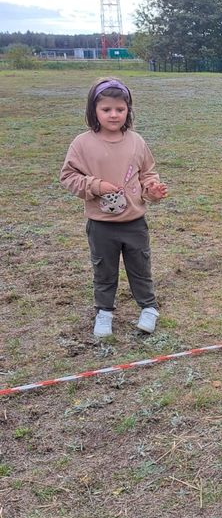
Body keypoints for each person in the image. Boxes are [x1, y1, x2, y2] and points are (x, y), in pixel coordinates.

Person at [60, 78, 167, 337]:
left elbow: (147, 175)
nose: (114, 114)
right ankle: (104, 312)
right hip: (101, 225)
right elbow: (68, 176)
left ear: (128, 110)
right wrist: (96, 185)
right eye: (106, 109)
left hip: (134, 223)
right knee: (104, 270)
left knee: (140, 268)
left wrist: (152, 191)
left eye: (120, 109)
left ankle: (149, 308)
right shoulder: (82, 144)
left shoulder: (137, 142)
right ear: (93, 110)